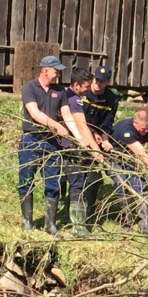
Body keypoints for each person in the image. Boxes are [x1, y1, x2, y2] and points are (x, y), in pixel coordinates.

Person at [17, 55, 71, 234]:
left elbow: (67, 115)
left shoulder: (61, 91)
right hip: (31, 139)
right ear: (45, 70)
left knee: (53, 182)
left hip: (52, 143)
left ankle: (50, 225)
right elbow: (35, 114)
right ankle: (27, 222)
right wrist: (56, 125)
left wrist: (76, 135)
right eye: (56, 71)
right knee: (26, 180)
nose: (58, 75)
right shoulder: (29, 88)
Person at [60, 67, 104, 237]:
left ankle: (67, 219)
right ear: (76, 85)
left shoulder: (64, 94)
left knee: (66, 182)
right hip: (72, 147)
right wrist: (95, 151)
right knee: (78, 184)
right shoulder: (74, 100)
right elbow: (81, 125)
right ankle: (78, 227)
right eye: (86, 86)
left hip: (63, 145)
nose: (88, 90)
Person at [110, 110, 148, 235]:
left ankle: (144, 225)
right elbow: (141, 153)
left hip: (131, 160)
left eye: (147, 129)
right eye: (142, 129)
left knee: (141, 187)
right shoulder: (125, 130)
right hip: (115, 158)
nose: (145, 132)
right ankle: (126, 221)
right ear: (134, 123)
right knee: (122, 185)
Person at [79, 65, 119, 216]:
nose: (97, 84)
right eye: (96, 80)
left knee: (94, 174)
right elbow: (78, 119)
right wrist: (92, 132)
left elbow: (107, 123)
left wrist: (105, 139)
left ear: (107, 81)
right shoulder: (84, 92)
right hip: (78, 134)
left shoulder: (111, 99)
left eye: (102, 81)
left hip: (97, 138)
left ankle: (90, 210)